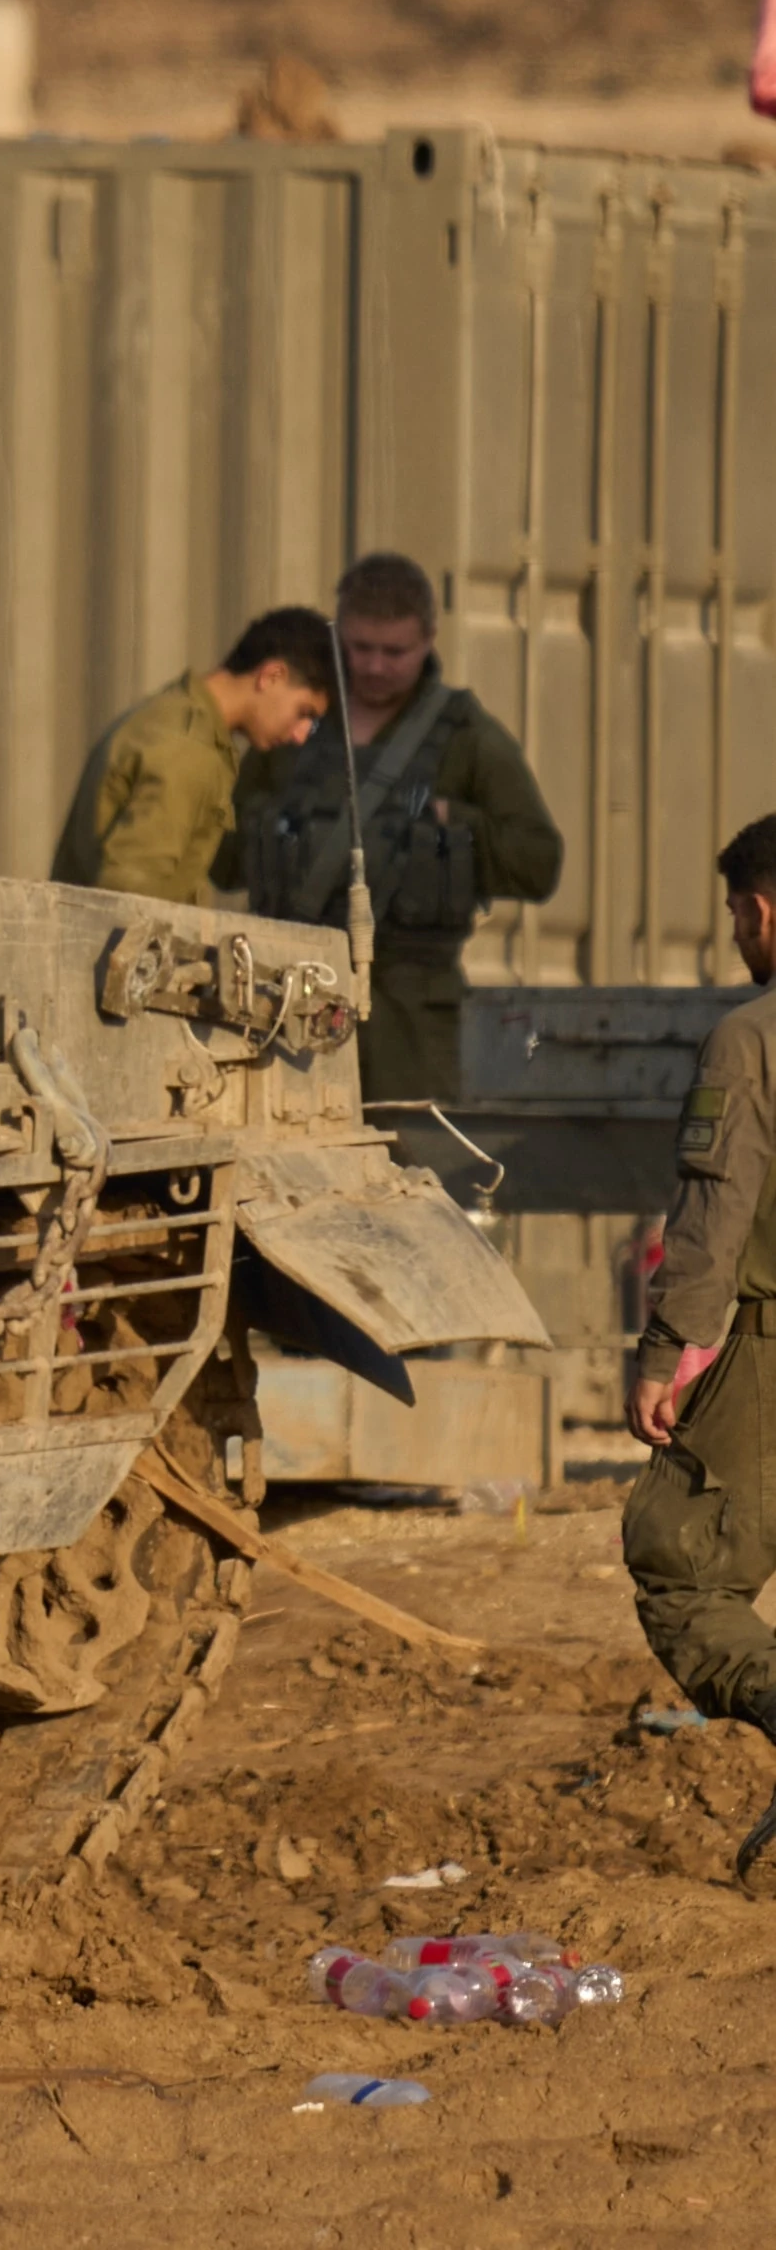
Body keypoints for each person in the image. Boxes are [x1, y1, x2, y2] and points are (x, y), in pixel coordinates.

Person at [233, 550, 563, 1110]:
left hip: (411, 1014)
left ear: (430, 638)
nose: (376, 666)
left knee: (412, 1163)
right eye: (361, 648)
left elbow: (538, 860)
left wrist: (450, 821)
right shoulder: (298, 725)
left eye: (395, 651)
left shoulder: (464, 737)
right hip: (290, 995)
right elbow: (224, 850)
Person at [623, 816, 776, 1763]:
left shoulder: (750, 1039)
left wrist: (662, 1353)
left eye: (734, 913)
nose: (734, 932)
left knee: (679, 1565)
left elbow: (715, 1214)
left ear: (761, 909)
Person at [50, 610, 338, 905]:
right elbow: (130, 899)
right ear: (272, 676)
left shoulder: (172, 717)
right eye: (304, 713)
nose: (300, 735)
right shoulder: (189, 749)